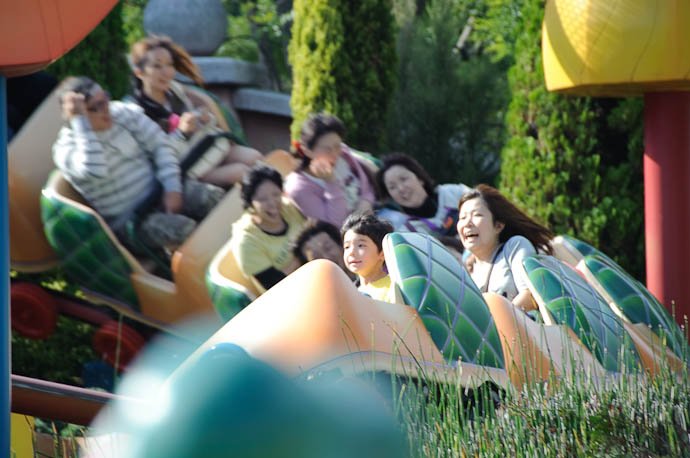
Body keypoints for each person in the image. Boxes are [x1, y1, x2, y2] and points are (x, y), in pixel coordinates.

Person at [52, 76, 224, 256]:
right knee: (185, 230)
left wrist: (172, 188)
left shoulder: (123, 113)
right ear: (76, 115)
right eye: (97, 106)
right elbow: (95, 170)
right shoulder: (66, 150)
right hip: (133, 220)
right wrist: (82, 124)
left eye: (106, 99)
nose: (107, 109)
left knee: (213, 197)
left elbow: (160, 146)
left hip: (161, 190)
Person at [129, 35, 262, 188]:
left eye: (169, 64)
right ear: (139, 73)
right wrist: (182, 134)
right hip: (190, 169)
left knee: (256, 158)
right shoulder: (137, 112)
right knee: (242, 172)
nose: (166, 72)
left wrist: (206, 118)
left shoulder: (176, 91)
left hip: (213, 150)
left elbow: (208, 120)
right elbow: (158, 160)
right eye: (157, 66)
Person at [457, 184, 554, 311]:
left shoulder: (514, 247)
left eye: (477, 215)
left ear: (498, 226)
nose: (467, 223)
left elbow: (531, 294)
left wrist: (499, 321)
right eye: (462, 217)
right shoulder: (464, 274)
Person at [285, 113, 376, 228]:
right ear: (307, 150)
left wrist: (366, 202)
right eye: (326, 149)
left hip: (374, 215)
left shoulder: (343, 154)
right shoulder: (298, 187)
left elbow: (367, 187)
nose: (335, 154)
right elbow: (334, 226)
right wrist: (331, 183)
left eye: (337, 146)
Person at [230, 165, 309, 294]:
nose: (272, 203)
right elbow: (275, 285)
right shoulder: (246, 241)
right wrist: (302, 254)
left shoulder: (289, 207)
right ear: (250, 204)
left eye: (276, 194)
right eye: (262, 199)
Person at [376, 153, 471, 238]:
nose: (401, 189)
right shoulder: (407, 233)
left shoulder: (456, 193)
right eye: (392, 187)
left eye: (403, 179)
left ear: (420, 178)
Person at [341, 213, 402, 304]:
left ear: (383, 253)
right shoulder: (346, 294)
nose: (351, 253)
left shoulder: (394, 287)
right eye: (347, 247)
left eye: (361, 245)